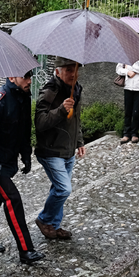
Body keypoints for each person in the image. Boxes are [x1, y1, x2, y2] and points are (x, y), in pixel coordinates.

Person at [0, 71, 46, 265]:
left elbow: (23, 130)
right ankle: (26, 249)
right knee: (12, 199)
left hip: (6, 161)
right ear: (11, 77)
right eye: (25, 77)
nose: (29, 81)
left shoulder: (22, 98)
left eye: (31, 77)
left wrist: (26, 156)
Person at [34, 56, 86, 240]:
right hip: (50, 150)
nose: (73, 73)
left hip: (68, 150)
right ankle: (43, 219)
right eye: (68, 70)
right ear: (57, 71)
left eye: (76, 69)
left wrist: (79, 141)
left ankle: (53, 227)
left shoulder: (76, 89)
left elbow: (76, 119)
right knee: (64, 189)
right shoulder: (50, 92)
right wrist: (61, 110)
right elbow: (40, 123)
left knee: (58, 190)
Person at [116, 34, 139, 144]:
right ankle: (126, 134)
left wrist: (131, 68)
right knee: (128, 111)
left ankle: (134, 134)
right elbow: (118, 69)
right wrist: (127, 72)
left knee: (136, 112)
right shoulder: (126, 52)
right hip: (128, 86)